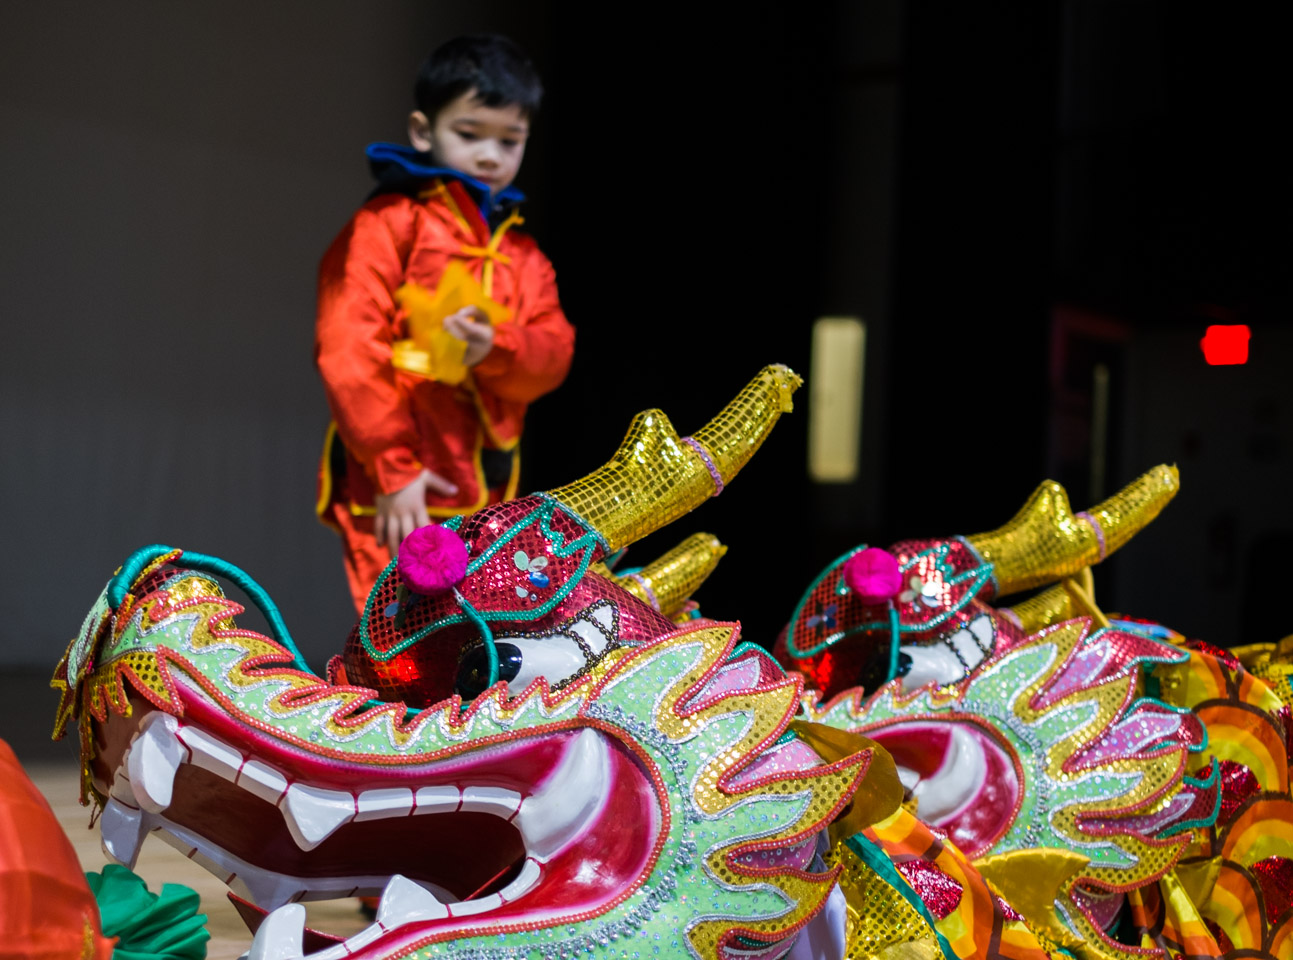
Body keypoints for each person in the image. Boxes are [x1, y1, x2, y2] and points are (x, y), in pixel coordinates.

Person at [315, 34, 575, 613]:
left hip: (487, 488)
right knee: (395, 641)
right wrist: (392, 468)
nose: (489, 155)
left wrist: (497, 347)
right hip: (397, 480)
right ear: (422, 131)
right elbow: (348, 348)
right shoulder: (389, 225)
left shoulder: (523, 254)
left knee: (469, 644)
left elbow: (553, 356)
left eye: (509, 141)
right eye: (470, 133)